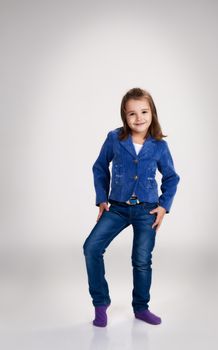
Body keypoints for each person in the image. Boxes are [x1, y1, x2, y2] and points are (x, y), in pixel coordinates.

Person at [82, 87, 180, 327]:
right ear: (124, 116)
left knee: (141, 259)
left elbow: (171, 178)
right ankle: (100, 303)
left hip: (147, 209)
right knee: (91, 248)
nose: (139, 118)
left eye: (144, 112)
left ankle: (141, 307)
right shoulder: (115, 138)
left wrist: (164, 207)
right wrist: (102, 199)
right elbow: (99, 167)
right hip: (116, 207)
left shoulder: (159, 146)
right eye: (132, 114)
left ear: (152, 113)